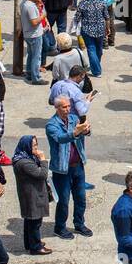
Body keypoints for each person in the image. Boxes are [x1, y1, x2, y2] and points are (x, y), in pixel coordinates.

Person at [45, 94, 92, 240]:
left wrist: (86, 130)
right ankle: (59, 227)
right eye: (64, 107)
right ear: (57, 108)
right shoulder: (52, 124)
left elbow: (82, 135)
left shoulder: (73, 119)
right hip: (62, 168)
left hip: (77, 165)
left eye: (68, 106)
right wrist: (75, 132)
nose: (67, 109)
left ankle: (79, 223)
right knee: (64, 200)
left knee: (80, 198)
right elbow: (60, 138)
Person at [11, 134, 51, 255]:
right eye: (33, 145)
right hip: (31, 196)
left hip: (29, 194)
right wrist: (43, 160)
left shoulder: (25, 158)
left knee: (30, 220)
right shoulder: (25, 163)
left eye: (36, 144)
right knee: (35, 221)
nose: (36, 147)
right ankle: (35, 246)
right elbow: (42, 174)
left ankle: (30, 242)